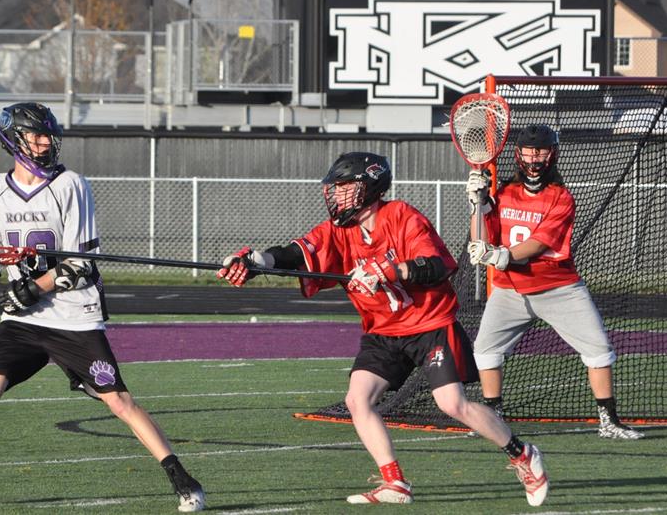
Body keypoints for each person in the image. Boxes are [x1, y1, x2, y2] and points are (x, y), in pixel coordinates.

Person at [0, 102, 205, 512]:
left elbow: (80, 264)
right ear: (13, 139)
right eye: (36, 135)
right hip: (23, 320)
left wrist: (32, 289)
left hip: (74, 316)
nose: (45, 143)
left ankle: (184, 481)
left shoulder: (70, 185)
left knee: (118, 401)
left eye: (48, 136)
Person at [217, 151, 549, 506]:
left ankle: (521, 454)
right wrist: (253, 262)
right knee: (357, 399)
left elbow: (436, 265)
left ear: (369, 187)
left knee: (453, 404)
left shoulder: (401, 216)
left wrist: (391, 271)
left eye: (345, 187)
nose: (337, 194)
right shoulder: (337, 231)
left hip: (429, 324)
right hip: (383, 331)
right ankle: (395, 482)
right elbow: (294, 254)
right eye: (336, 188)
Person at [466, 124, 643, 440]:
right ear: (518, 154)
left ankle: (609, 421)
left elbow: (537, 244)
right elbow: (481, 240)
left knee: (598, 350)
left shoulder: (561, 198)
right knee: (485, 351)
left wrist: (500, 256)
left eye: (541, 151)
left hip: (558, 289)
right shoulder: (503, 193)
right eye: (529, 152)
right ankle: (493, 419)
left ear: (553, 154)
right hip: (510, 290)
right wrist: (477, 203)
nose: (534, 158)